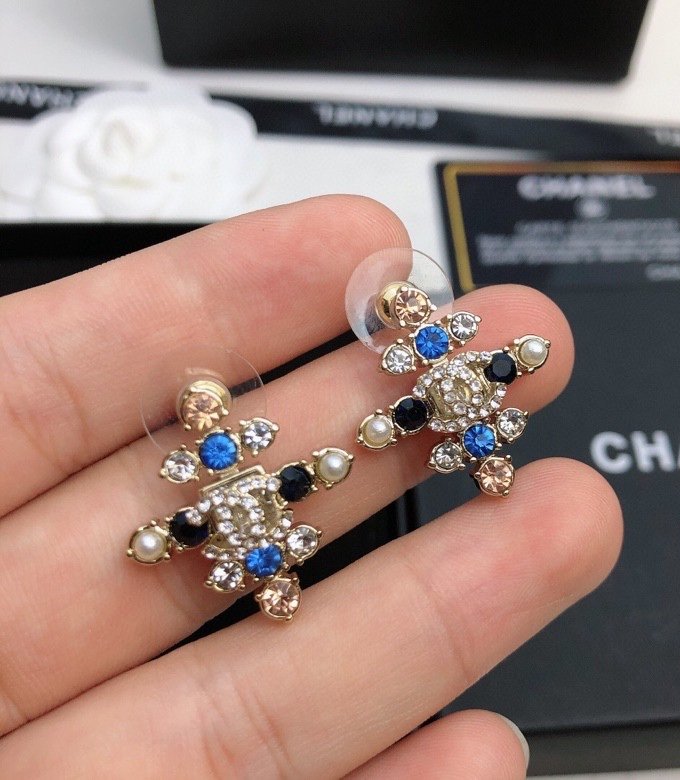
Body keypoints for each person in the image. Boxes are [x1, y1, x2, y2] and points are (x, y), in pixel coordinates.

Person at [0, 196, 622, 778]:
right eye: (399, 309)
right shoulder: (226, 464)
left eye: (412, 306)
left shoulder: (431, 366)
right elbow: (274, 489)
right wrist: (173, 536)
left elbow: (357, 447)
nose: (409, 314)